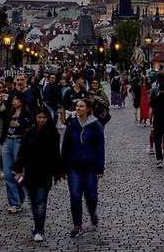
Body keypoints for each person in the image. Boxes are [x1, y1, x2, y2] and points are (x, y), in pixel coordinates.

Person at [12, 107, 62, 242]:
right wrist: (18, 167)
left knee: (41, 201)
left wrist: (58, 171)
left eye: (44, 117)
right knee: (34, 202)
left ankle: (39, 228)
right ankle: (37, 223)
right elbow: (22, 151)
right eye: (39, 117)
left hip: (45, 172)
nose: (41, 120)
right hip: (30, 172)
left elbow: (56, 154)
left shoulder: (53, 133)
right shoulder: (29, 133)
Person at [61, 99, 105, 238]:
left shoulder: (96, 126)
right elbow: (65, 147)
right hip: (74, 166)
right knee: (75, 195)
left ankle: (92, 212)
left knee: (91, 195)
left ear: (88, 109)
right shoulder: (71, 126)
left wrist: (100, 168)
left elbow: (100, 148)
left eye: (81, 106)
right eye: (77, 106)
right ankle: (77, 225)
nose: (78, 108)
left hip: (90, 167)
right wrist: (63, 167)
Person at [0, 92, 32, 214]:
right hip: (8, 141)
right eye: (13, 99)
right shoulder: (8, 113)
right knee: (8, 174)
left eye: (17, 99)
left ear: (22, 101)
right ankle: (15, 203)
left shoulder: (27, 114)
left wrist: (20, 124)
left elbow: (30, 127)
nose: (14, 101)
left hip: (19, 142)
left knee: (18, 173)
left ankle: (20, 194)